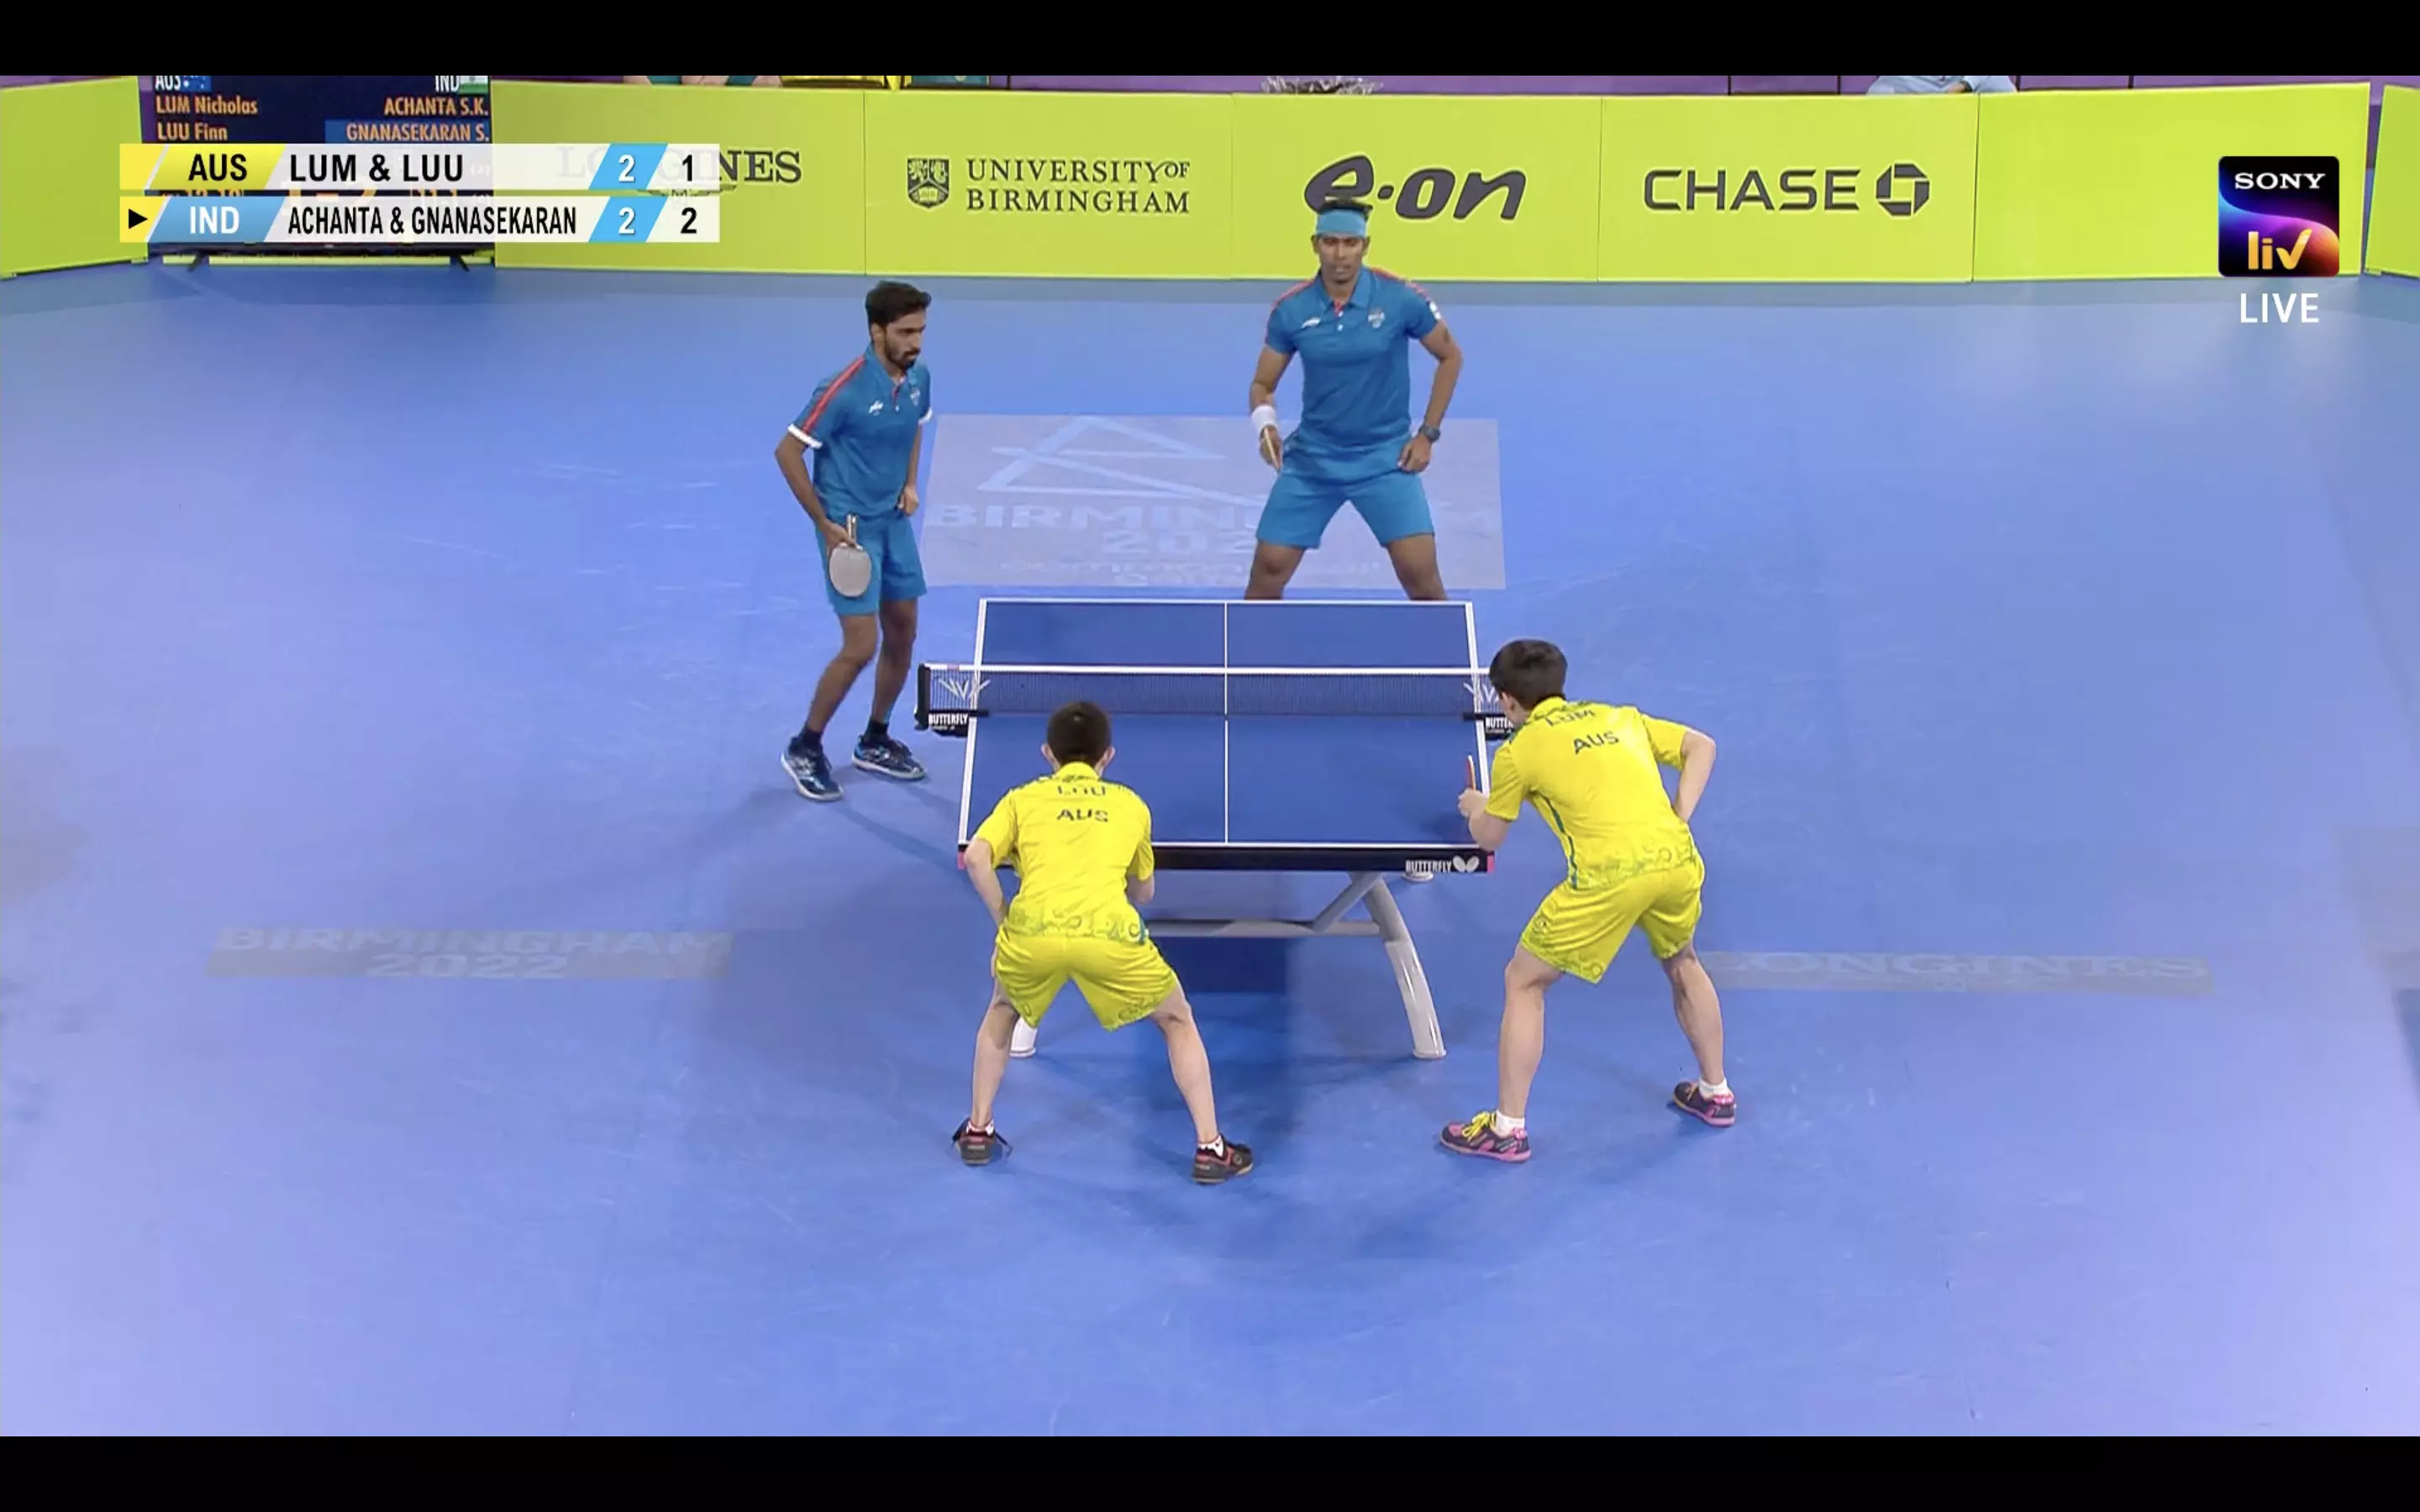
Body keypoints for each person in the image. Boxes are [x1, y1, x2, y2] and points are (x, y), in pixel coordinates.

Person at [1442, 639, 1735, 1163]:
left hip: (1609, 878)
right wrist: (1679, 815)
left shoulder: (1519, 753)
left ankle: (1507, 1129)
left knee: (1524, 980)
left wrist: (1475, 807)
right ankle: (1716, 1093)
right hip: (1676, 858)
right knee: (1683, 961)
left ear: (1506, 700)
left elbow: (1489, 839)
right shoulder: (1621, 717)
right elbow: (1702, 747)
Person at [955, 701, 1255, 1184]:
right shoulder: (1131, 805)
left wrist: (1004, 919)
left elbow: (976, 857)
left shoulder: (1021, 800)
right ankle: (1210, 1149)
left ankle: (977, 1130)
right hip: (1109, 937)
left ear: (1048, 754)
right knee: (1176, 1018)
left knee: (1002, 1010)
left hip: (1032, 935)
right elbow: (1144, 892)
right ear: (1107, 756)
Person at [1246, 197, 1465, 601]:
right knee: (1268, 571)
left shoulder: (1401, 299)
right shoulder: (1291, 311)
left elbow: (1451, 357)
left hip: (1386, 458)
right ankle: (1249, 643)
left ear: (1365, 246)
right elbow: (1262, 384)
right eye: (1330, 242)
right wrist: (1266, 428)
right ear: (1315, 245)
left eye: (1350, 243)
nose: (1340, 254)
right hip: (1314, 459)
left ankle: (1444, 646)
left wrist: (1427, 435)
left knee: (1421, 575)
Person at [774, 281, 935, 801]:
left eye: (921, 331)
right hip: (851, 531)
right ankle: (805, 745)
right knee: (861, 645)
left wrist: (910, 483)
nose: (916, 343)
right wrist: (823, 523)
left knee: (903, 631)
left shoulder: (918, 379)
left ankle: (875, 738)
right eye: (905, 332)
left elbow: (914, 426)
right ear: (876, 331)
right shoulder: (842, 389)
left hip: (893, 521)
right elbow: (787, 453)